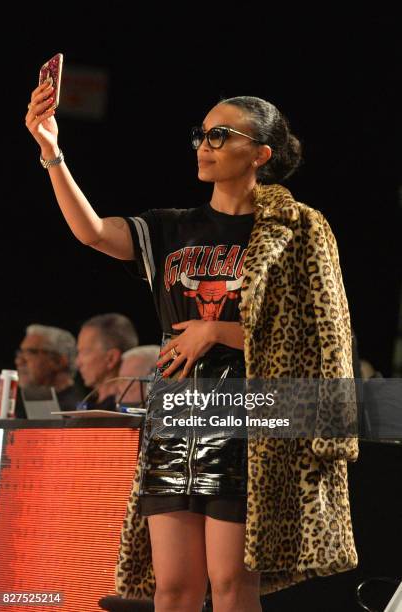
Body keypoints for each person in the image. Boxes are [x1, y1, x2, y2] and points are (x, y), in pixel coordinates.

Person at [26, 86, 358, 611]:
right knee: (173, 587)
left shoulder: (296, 231)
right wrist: (51, 151)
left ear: (261, 153)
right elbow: (92, 233)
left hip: (250, 420)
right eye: (202, 134)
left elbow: (323, 341)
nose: (205, 144)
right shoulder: (172, 227)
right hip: (176, 416)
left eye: (221, 135)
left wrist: (218, 331)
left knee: (229, 583)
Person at [15, 323, 85, 415]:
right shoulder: (27, 406)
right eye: (21, 352)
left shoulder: (79, 412)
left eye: (30, 352)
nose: (19, 361)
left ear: (58, 361)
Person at [76, 313, 139, 411]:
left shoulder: (127, 413)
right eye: (78, 352)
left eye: (85, 352)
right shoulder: (86, 404)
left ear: (111, 358)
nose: (78, 363)